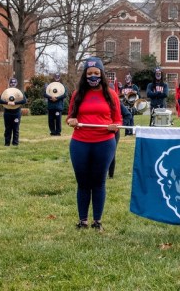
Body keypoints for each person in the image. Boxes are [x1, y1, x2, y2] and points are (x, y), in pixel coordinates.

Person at [65, 57, 121, 231]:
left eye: (96, 73)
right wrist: (72, 120)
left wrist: (115, 127)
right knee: (83, 183)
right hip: (80, 142)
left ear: (102, 74)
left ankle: (97, 221)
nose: (93, 76)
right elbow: (69, 117)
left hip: (104, 143)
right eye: (89, 73)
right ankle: (82, 221)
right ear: (85, 75)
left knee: (98, 182)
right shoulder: (78, 94)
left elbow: (118, 119)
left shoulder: (111, 94)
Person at [0, 77, 27, 146]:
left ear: (16, 83)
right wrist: (7, 103)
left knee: (16, 128)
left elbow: (24, 100)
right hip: (7, 113)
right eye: (11, 82)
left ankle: (15, 144)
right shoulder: (6, 92)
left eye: (14, 82)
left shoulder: (19, 92)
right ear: (9, 83)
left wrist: (15, 103)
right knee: (8, 128)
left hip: (16, 113)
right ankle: (7, 143)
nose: (12, 84)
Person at [108, 102, 133, 179]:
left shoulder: (116, 102)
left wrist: (119, 125)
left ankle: (111, 175)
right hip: (100, 131)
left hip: (114, 132)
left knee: (111, 152)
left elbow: (128, 115)